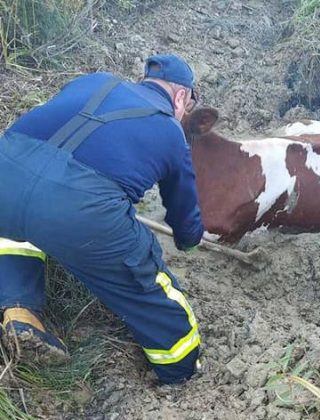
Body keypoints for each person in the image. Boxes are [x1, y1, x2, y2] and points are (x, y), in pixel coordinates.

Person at [0, 53, 205, 384]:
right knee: (151, 288)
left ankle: (20, 309)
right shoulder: (169, 130)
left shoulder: (94, 80)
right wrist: (190, 241)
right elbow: (184, 214)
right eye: (189, 106)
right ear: (181, 96)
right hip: (79, 209)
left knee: (11, 225)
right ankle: (182, 371)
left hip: (6, 168)